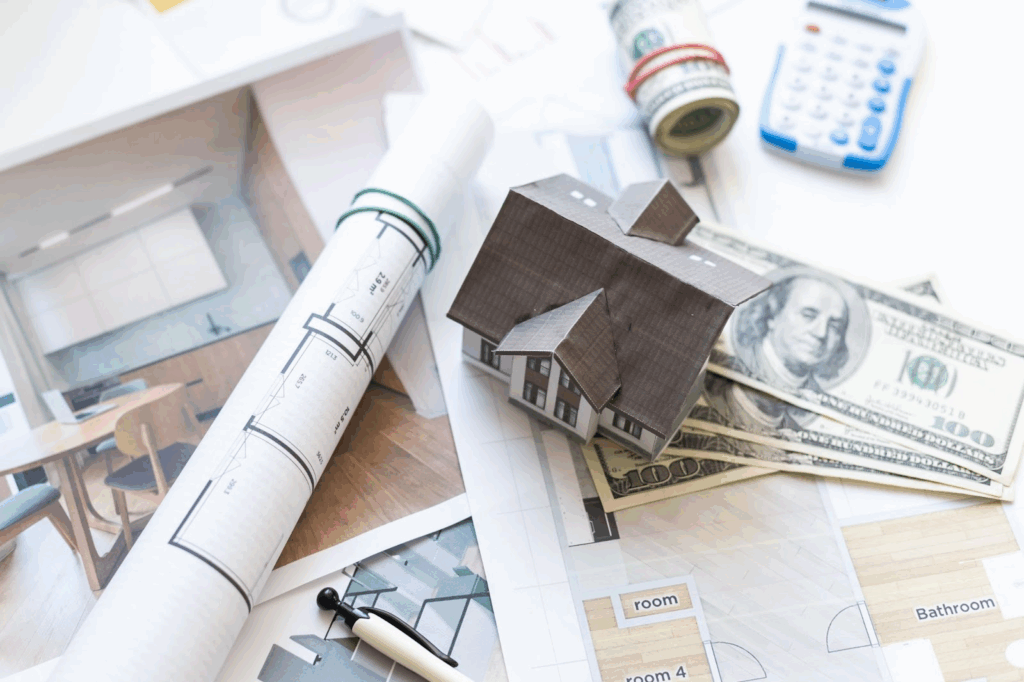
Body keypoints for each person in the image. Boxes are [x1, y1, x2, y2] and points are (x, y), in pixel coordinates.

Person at [733, 274, 851, 394]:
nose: (821, 333)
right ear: (773, 314)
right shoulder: (735, 363)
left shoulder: (818, 397)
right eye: (808, 315)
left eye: (835, 326)